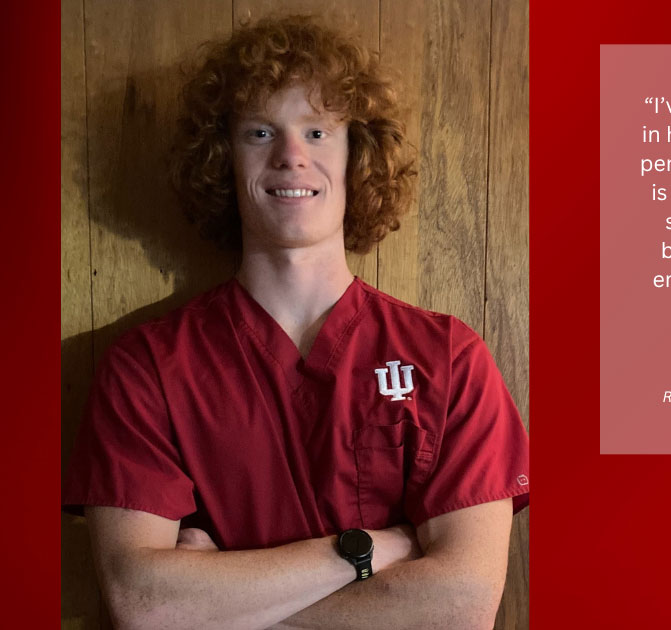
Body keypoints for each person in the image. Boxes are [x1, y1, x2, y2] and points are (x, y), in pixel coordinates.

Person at [62, 15, 530, 629]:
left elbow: (462, 605)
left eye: (317, 131)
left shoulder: (448, 357)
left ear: (356, 156)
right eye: (260, 132)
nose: (290, 156)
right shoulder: (146, 367)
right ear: (222, 159)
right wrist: (369, 550)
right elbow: (144, 603)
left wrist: (220, 609)